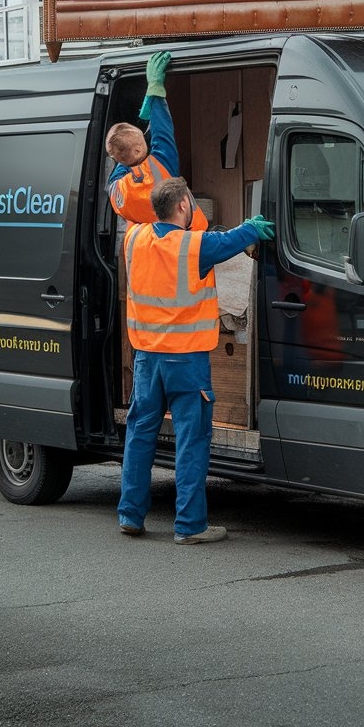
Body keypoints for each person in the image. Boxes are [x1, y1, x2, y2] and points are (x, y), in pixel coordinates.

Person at [118, 176, 275, 543]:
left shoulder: (135, 239)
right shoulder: (193, 247)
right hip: (185, 363)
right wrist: (253, 226)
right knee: (192, 440)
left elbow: (124, 192)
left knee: (140, 435)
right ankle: (190, 526)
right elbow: (231, 241)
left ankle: (130, 514)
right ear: (185, 206)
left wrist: (153, 129)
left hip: (146, 359)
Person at [104, 50, 209, 231]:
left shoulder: (116, 190)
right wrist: (155, 88)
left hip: (153, 251)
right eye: (142, 138)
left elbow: (124, 158)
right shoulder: (161, 165)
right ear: (138, 149)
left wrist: (146, 117)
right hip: (190, 243)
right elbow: (163, 130)